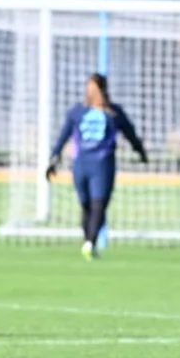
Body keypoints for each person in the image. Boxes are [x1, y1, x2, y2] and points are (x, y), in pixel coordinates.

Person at [47, 73, 148, 260]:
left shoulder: (113, 113)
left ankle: (90, 243)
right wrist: (54, 158)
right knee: (89, 206)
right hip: (85, 165)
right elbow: (63, 137)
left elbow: (130, 133)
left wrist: (140, 150)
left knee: (96, 206)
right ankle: (89, 242)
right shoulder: (78, 113)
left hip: (99, 165)